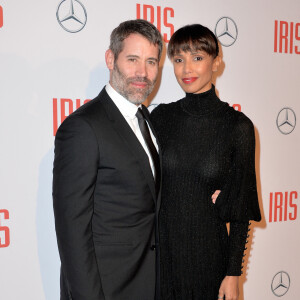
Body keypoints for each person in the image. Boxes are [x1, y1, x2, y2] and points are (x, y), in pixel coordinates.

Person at [53, 19, 163, 300]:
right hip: (106, 288)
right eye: (133, 59)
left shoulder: (147, 120)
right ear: (110, 58)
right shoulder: (83, 127)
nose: (143, 72)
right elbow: (72, 232)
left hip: (147, 282)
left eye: (151, 62)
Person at [150, 24, 261, 300]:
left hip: (209, 262)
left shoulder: (238, 127)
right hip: (161, 260)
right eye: (178, 60)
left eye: (197, 58)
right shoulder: (160, 118)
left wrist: (234, 274)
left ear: (217, 63)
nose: (187, 69)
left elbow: (240, 212)